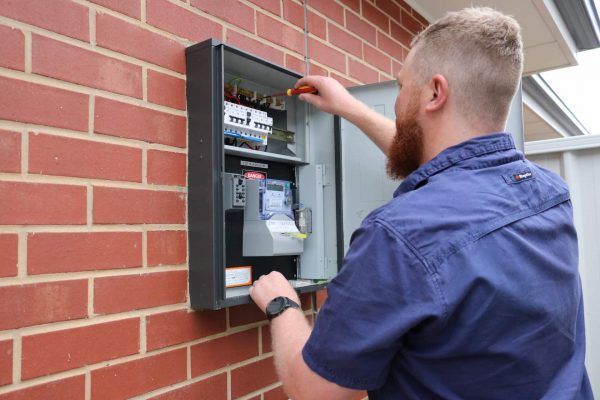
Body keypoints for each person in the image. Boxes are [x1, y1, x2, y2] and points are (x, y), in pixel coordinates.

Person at [249, 7, 593, 399]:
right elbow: (442, 162)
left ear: (434, 92)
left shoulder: (400, 235)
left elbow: (313, 391)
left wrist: (282, 304)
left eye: (400, 87)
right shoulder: (549, 194)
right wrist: (350, 108)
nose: (397, 102)